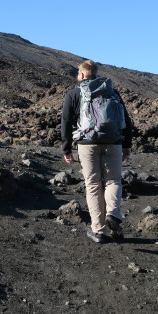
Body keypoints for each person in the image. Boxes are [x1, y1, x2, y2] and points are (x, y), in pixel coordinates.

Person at [61, 60, 133, 243]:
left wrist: (67, 148)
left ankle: (99, 231)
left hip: (87, 144)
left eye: (78, 73)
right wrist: (126, 144)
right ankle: (113, 214)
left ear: (82, 75)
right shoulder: (112, 92)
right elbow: (126, 120)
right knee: (113, 180)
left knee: (93, 184)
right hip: (113, 142)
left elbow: (66, 122)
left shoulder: (75, 93)